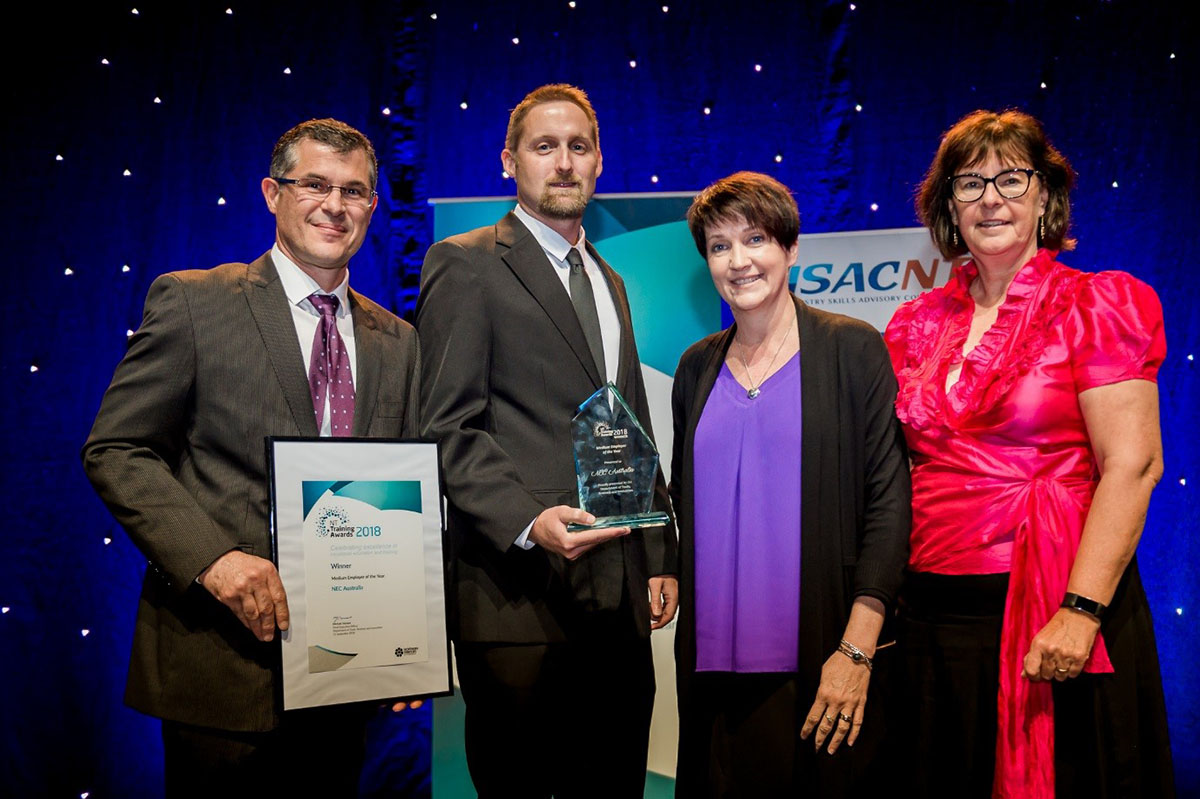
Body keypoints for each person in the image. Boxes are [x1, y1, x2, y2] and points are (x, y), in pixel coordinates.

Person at [82, 118, 421, 796]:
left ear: (373, 207)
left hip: (346, 674)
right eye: (315, 184)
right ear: (273, 192)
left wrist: (406, 633)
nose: (335, 205)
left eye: (354, 191)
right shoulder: (195, 302)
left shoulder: (400, 340)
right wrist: (213, 559)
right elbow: (117, 448)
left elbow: (400, 492)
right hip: (220, 667)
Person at [884, 109, 1175, 797]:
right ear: (947, 205)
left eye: (1011, 178)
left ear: (1045, 195)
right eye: (970, 182)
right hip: (932, 620)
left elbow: (1133, 465)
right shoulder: (913, 322)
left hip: (1056, 615)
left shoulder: (1099, 302)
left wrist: (1081, 609)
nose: (991, 198)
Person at [415, 84, 678, 798]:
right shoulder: (465, 262)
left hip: (616, 597)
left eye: (579, 147)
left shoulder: (611, 279)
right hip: (515, 597)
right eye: (544, 146)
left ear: (598, 163)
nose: (563, 163)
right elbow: (445, 424)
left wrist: (656, 552)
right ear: (510, 161)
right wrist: (528, 521)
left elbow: (625, 424)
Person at [670, 171, 910, 796]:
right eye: (719, 246)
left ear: (791, 249)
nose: (738, 260)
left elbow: (889, 501)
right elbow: (679, 499)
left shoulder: (852, 349)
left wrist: (857, 650)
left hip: (822, 667)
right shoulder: (696, 367)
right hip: (710, 677)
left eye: (755, 240)